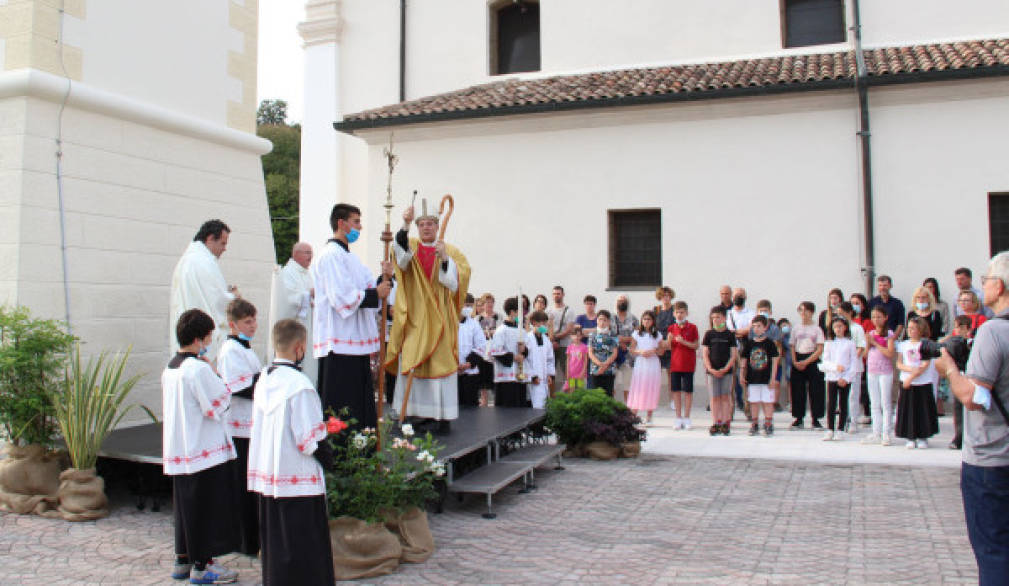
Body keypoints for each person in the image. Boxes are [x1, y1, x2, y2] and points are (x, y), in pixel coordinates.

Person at [935, 252, 1009, 585]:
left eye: (985, 281)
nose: (983, 288)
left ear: (1001, 285)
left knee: (993, 551)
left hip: (991, 458)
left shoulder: (994, 331)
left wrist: (949, 367)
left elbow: (975, 398)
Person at [248, 319, 335, 586]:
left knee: (278, 551)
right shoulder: (301, 386)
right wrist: (331, 459)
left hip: (270, 479)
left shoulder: (264, 379)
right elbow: (309, 440)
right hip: (299, 482)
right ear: (300, 347)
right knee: (306, 555)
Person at [162, 309, 240, 584]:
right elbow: (220, 402)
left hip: (181, 449)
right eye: (208, 337)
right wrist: (216, 372)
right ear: (198, 339)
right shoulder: (198, 369)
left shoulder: (171, 367)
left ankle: (183, 559)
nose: (210, 342)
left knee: (185, 507)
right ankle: (202, 565)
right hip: (203, 450)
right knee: (205, 508)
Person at [387, 201, 471, 434]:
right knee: (412, 359)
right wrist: (404, 223)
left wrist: (445, 260)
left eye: (431, 224)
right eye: (421, 224)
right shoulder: (411, 245)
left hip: (440, 318)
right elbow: (400, 258)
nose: (426, 228)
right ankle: (411, 413)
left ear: (437, 226)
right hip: (414, 317)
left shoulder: (450, 250)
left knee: (439, 363)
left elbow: (456, 283)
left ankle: (439, 415)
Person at [313, 203, 393, 430]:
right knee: (341, 406)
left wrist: (385, 279)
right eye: (356, 221)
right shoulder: (330, 256)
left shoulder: (353, 260)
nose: (360, 226)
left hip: (356, 344)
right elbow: (341, 297)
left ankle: (362, 451)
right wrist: (375, 292)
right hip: (338, 342)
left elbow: (372, 291)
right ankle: (341, 456)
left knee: (360, 404)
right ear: (341, 223)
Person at [216, 299, 262, 557]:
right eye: (247, 322)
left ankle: (253, 538)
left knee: (250, 486)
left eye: (254, 320)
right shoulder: (230, 350)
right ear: (233, 325)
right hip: (238, 428)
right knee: (241, 487)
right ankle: (245, 541)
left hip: (250, 426)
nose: (253, 325)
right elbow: (241, 387)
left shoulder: (245, 348)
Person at [169, 219, 238, 361]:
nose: (224, 249)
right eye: (223, 243)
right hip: (201, 338)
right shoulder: (203, 262)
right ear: (210, 239)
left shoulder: (188, 259)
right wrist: (234, 297)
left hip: (186, 337)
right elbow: (218, 300)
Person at [269, 241, 318, 384]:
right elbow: (287, 300)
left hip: (309, 326)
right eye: (307, 253)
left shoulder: (307, 274)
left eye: (311, 253)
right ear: (296, 254)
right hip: (296, 327)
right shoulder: (287, 273)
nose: (311, 256)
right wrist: (308, 295)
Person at [895, 316, 939, 449]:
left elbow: (925, 364)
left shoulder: (926, 344)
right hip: (908, 382)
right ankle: (910, 436)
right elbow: (899, 363)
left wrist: (911, 377)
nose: (910, 330)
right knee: (908, 410)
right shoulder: (904, 345)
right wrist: (909, 370)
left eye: (913, 328)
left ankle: (923, 437)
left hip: (922, 382)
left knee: (923, 410)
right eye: (909, 328)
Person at [739, 315, 779, 436]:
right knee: (754, 401)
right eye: (754, 327)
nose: (756, 329)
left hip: (766, 378)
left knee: (767, 402)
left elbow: (775, 361)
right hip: (753, 378)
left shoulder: (770, 343)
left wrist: (773, 378)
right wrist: (741, 374)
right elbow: (744, 360)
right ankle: (755, 423)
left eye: (759, 326)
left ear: (765, 327)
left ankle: (768, 423)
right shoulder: (749, 343)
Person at [820, 317, 858, 441]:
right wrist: (835, 367)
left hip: (845, 378)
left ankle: (841, 429)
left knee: (843, 403)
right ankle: (830, 429)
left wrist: (847, 378)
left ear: (845, 327)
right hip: (832, 376)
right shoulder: (829, 343)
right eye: (835, 327)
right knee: (831, 403)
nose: (838, 329)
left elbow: (854, 363)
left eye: (840, 326)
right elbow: (825, 361)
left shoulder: (850, 343)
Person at [864, 305, 896, 446]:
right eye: (873, 317)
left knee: (885, 403)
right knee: (874, 403)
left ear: (885, 317)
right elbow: (865, 354)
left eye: (879, 316)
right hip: (872, 370)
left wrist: (875, 343)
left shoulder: (889, 334)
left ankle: (886, 432)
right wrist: (867, 343)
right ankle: (876, 431)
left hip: (885, 371)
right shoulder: (870, 334)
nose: (876, 320)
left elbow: (890, 353)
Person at [790, 301, 825, 429]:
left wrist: (807, 361)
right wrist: (795, 361)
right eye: (801, 310)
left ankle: (816, 418)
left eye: (805, 310)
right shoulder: (796, 328)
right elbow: (792, 345)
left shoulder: (817, 329)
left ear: (812, 312)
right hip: (798, 358)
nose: (803, 313)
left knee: (816, 390)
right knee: (797, 389)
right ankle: (799, 418)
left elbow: (820, 348)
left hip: (812, 358)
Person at [703, 306, 737, 436]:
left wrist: (725, 368)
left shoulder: (729, 335)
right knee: (714, 397)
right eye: (713, 318)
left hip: (726, 371)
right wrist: (710, 368)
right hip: (712, 371)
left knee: (725, 397)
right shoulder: (709, 334)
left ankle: (724, 422)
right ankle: (716, 422)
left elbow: (733, 355)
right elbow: (705, 353)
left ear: (724, 318)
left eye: (718, 317)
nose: (715, 320)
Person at [941, 315, 974, 450]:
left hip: (971, 377)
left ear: (969, 329)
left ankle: (970, 436)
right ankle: (958, 436)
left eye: (961, 327)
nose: (958, 330)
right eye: (956, 327)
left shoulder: (973, 343)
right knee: (958, 408)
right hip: (958, 376)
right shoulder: (953, 343)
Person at [490, 296, 527, 407]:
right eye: (519, 312)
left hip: (519, 375)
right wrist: (514, 357)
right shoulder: (501, 330)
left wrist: (524, 350)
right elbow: (496, 352)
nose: (521, 315)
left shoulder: (521, 330)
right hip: (506, 377)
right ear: (512, 312)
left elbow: (526, 349)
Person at [667, 301, 699, 430]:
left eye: (682, 312)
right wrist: (669, 341)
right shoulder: (671, 328)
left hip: (688, 364)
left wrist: (683, 341)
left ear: (686, 313)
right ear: (674, 314)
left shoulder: (692, 327)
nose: (679, 315)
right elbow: (669, 347)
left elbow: (696, 345)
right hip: (675, 364)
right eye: (677, 312)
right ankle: (678, 417)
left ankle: (687, 417)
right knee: (676, 391)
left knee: (688, 391)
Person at [626, 311, 662, 425]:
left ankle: (649, 416)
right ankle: (633, 415)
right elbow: (631, 349)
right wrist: (640, 351)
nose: (646, 321)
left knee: (651, 387)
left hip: (653, 363)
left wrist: (653, 351)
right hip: (641, 363)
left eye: (649, 319)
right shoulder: (637, 333)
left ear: (653, 321)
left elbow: (662, 350)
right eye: (644, 319)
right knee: (638, 387)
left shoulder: (657, 334)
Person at [837, 302, 867, 433]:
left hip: (854, 367)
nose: (839, 315)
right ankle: (843, 420)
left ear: (849, 312)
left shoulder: (857, 328)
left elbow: (861, 346)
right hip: (841, 368)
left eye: (841, 313)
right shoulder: (837, 328)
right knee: (841, 396)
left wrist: (852, 361)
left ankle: (853, 421)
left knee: (853, 395)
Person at [727, 287, 755, 414]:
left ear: (746, 297)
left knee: (745, 380)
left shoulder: (751, 313)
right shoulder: (728, 314)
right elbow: (728, 332)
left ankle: (747, 409)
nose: (739, 297)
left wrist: (736, 332)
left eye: (741, 295)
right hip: (731, 350)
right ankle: (730, 410)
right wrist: (740, 332)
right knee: (731, 382)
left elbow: (750, 329)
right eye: (737, 295)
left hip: (746, 350)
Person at [458, 293, 487, 407]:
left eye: (470, 306)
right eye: (466, 305)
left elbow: (481, 346)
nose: (468, 309)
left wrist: (468, 364)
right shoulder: (448, 322)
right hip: (452, 371)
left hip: (470, 372)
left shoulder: (474, 324)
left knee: (470, 408)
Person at [546, 286, 576, 393]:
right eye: (554, 294)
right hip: (550, 346)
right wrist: (551, 341)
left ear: (563, 295)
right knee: (550, 372)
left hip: (565, 346)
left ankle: (572, 396)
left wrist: (554, 337)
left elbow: (569, 329)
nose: (556, 296)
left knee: (569, 372)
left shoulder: (569, 311)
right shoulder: (548, 310)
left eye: (558, 293)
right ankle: (552, 397)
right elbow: (545, 328)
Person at [524, 311, 555, 408]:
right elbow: (525, 360)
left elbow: (550, 359)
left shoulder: (546, 340)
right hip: (531, 379)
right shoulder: (527, 339)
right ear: (534, 323)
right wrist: (532, 376)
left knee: (543, 404)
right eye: (541, 323)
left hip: (544, 379)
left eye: (545, 323)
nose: (543, 326)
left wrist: (550, 374)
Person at [612, 295, 639, 404]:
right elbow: (606, 334)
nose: (622, 302)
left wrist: (624, 339)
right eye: (620, 300)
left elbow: (637, 336)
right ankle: (611, 406)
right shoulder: (610, 317)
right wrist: (619, 342)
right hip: (613, 355)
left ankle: (628, 407)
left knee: (627, 383)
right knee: (612, 382)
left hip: (628, 356)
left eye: (624, 301)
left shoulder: (633, 319)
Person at [587, 310, 619, 396]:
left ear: (608, 321)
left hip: (609, 370)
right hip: (595, 370)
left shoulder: (613, 335)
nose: (602, 322)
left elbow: (614, 353)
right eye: (600, 319)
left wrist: (605, 365)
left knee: (608, 395)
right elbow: (590, 352)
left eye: (604, 320)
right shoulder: (592, 335)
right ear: (597, 320)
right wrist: (599, 365)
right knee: (595, 396)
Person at [477, 293, 499, 406]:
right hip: (482, 350)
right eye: (487, 302)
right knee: (483, 375)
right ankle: (484, 400)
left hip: (494, 350)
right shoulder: (478, 318)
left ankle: (496, 399)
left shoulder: (498, 317)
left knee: (493, 374)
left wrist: (491, 332)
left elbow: (500, 331)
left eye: (491, 302)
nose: (489, 304)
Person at [869, 274, 906, 340]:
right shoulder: (871, 302)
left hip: (891, 338)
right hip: (875, 338)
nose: (882, 288)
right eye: (880, 285)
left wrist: (893, 338)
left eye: (885, 285)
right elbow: (869, 321)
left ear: (890, 286)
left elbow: (900, 324)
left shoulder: (897, 303)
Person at [654, 286, 676, 373]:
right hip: (658, 344)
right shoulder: (656, 310)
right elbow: (653, 328)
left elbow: (677, 327)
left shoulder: (675, 310)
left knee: (671, 372)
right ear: (660, 297)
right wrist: (659, 345)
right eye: (663, 295)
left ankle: (672, 387)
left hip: (671, 344)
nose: (666, 298)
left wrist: (668, 343)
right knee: (656, 372)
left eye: (668, 295)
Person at [565, 326, 589, 391]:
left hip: (580, 372)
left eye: (578, 335)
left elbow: (586, 360)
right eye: (574, 335)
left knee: (580, 391)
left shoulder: (584, 347)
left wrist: (583, 372)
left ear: (581, 336)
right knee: (571, 390)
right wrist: (567, 372)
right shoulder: (569, 347)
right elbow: (568, 360)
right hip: (572, 372)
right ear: (571, 336)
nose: (576, 337)